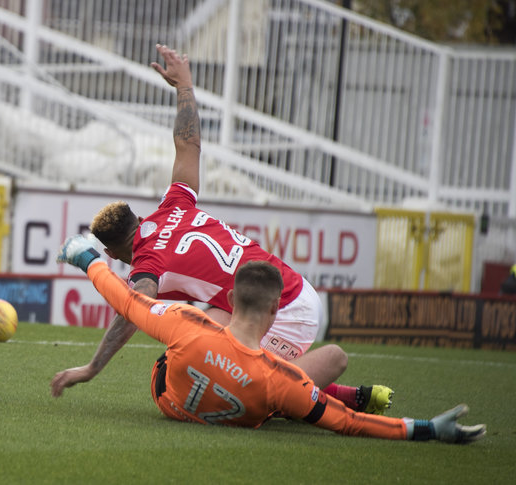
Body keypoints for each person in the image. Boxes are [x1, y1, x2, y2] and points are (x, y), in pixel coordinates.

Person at [51, 44, 392, 414]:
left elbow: (131, 311)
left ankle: (338, 394)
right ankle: (322, 387)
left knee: (246, 392)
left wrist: (90, 368)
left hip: (289, 309)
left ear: (112, 254)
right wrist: (184, 86)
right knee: (199, 340)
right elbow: (188, 145)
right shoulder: (173, 205)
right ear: (138, 218)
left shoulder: (148, 265)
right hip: (283, 287)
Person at [53, 234, 486, 444]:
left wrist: (86, 258)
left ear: (232, 298)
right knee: (328, 364)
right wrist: (427, 430)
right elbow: (346, 423)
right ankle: (339, 392)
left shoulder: (187, 324)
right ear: (276, 310)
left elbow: (127, 302)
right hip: (254, 401)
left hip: (168, 399)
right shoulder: (281, 379)